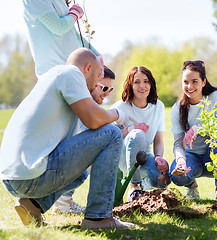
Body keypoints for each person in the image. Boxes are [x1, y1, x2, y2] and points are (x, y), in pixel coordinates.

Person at [0, 48, 134, 230]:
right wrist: (117, 114)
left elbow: (83, 146)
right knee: (112, 134)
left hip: (14, 176)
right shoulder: (71, 73)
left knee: (80, 174)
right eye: (97, 79)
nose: (96, 85)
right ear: (88, 68)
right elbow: (93, 120)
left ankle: (33, 205)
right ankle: (98, 218)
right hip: (29, 176)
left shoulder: (52, 77)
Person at [23, 0, 103, 213]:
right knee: (60, 141)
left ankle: (54, 201)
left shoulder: (60, 2)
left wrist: (97, 55)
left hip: (73, 76)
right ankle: (47, 199)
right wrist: (75, 13)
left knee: (72, 138)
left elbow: (74, 37)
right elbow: (58, 27)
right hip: (54, 75)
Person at [51, 65, 116, 214]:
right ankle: (64, 203)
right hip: (52, 165)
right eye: (104, 88)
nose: (107, 94)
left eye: (110, 90)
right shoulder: (82, 109)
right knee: (98, 149)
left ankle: (63, 201)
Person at [169, 60, 217, 200]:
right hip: (192, 158)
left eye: (194, 81)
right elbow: (178, 143)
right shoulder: (177, 108)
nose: (189, 86)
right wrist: (181, 160)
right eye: (185, 82)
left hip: (216, 155)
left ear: (203, 82)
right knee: (176, 176)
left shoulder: (215, 96)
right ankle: (191, 186)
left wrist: (200, 128)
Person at [111, 66, 170, 202]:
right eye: (137, 82)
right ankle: (134, 187)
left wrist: (159, 157)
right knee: (137, 134)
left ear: (151, 84)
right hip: (121, 157)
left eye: (146, 81)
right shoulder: (119, 107)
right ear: (130, 85)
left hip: (144, 156)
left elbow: (159, 140)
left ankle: (142, 185)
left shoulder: (158, 106)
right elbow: (109, 138)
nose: (142, 86)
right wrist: (132, 129)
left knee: (162, 180)